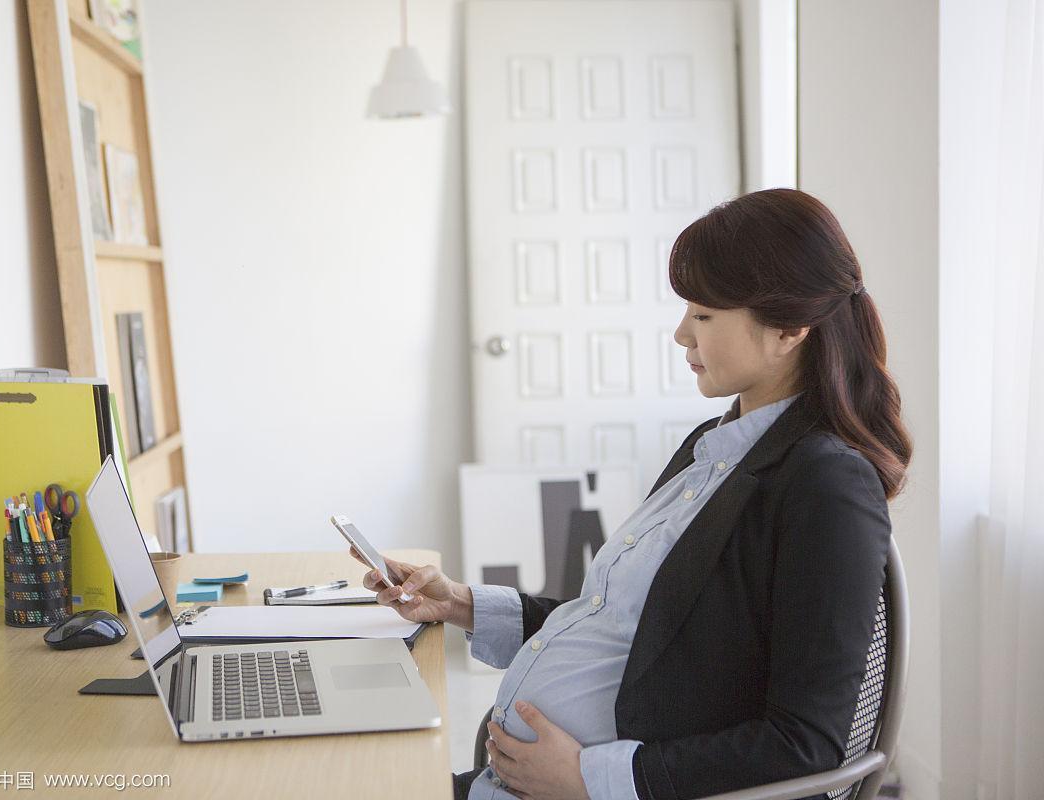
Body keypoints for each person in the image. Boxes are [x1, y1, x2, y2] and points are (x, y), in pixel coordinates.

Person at [354, 188, 912, 800]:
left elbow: (806, 743)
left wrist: (594, 780)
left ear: (788, 329)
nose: (680, 334)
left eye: (702, 316)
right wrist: (459, 604)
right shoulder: (714, 446)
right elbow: (632, 628)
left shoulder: (827, 485)